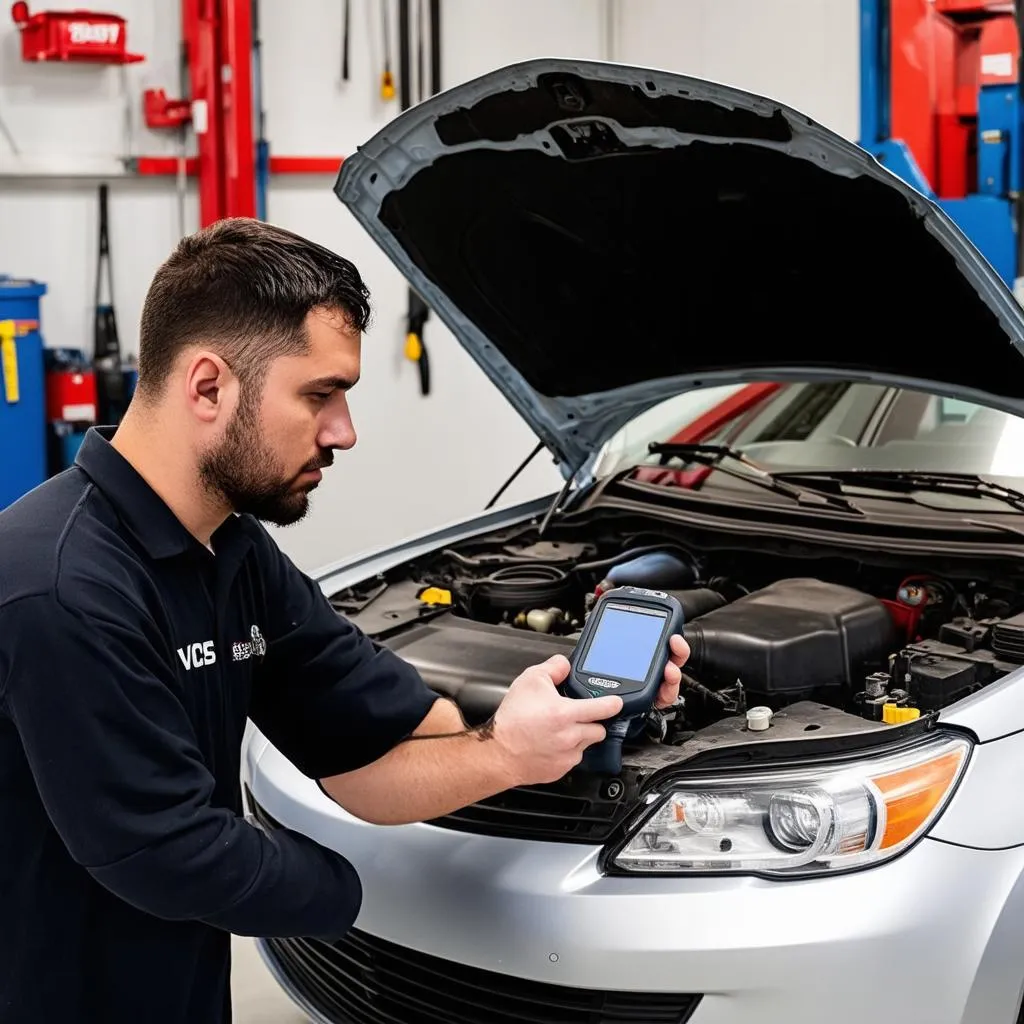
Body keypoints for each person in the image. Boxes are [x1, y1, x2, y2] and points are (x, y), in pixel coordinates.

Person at [0, 218, 689, 1024]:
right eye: (320, 395)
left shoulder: (230, 550)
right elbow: (169, 853)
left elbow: (374, 739)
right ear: (209, 386)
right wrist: (371, 892)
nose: (344, 433)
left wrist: (547, 730)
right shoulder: (60, 586)